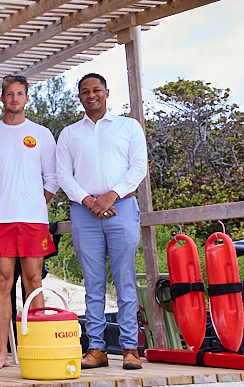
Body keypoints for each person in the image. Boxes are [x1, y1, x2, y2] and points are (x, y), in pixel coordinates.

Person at [56, 73, 147, 370]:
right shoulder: (69, 133)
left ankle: (130, 348)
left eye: (96, 90)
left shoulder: (128, 127)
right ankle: (96, 348)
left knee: (125, 280)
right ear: (79, 97)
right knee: (93, 283)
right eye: (85, 91)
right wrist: (89, 201)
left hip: (122, 206)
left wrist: (111, 196)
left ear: (107, 93)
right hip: (85, 212)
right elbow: (63, 174)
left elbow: (138, 167)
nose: (91, 95)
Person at [0, 75, 59, 369]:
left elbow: (53, 178)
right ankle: (2, 352)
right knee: (2, 282)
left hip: (32, 220)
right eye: (10, 94)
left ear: (27, 98)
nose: (15, 99)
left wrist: (33, 203)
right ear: (2, 98)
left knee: (33, 280)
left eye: (20, 94)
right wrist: (0, 202)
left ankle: (36, 347)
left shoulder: (41, 134)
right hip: (0, 220)